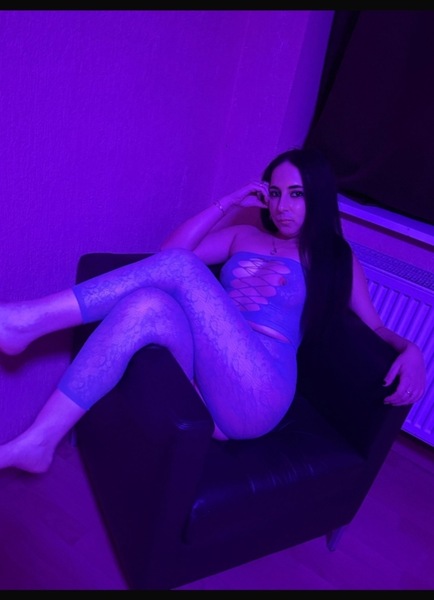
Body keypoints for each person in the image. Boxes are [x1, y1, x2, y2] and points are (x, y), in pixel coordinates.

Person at [0, 148, 426, 474]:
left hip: (259, 391)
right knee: (145, 305)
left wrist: (413, 351)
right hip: (206, 380)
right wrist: (230, 201)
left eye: (297, 195)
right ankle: (41, 439)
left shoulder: (334, 256)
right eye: (275, 193)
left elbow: (375, 327)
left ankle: (26, 322)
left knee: (181, 270)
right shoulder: (244, 235)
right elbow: (168, 255)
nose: (282, 206)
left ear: (318, 197)